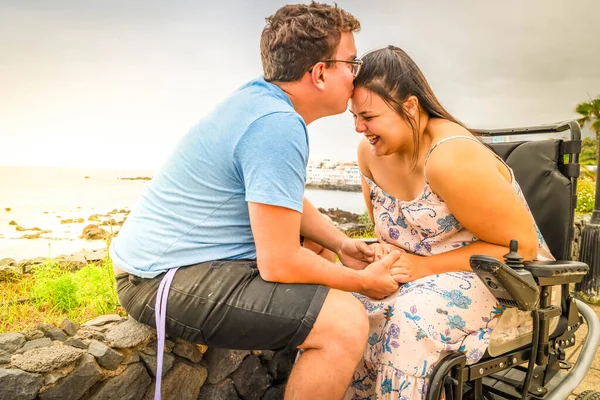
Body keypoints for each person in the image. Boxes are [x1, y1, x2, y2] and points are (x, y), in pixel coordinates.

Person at [110, 3, 403, 400]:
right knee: (345, 322)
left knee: (317, 250)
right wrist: (363, 283)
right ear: (319, 73)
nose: (356, 73)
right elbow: (279, 262)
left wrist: (340, 243)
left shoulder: (261, 102)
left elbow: (280, 200)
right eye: (350, 62)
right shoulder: (276, 124)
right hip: (157, 278)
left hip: (167, 265)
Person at [345, 46, 553, 399]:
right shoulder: (370, 154)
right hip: (426, 277)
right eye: (353, 116)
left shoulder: (450, 158)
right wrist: (376, 255)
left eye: (368, 116)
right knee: (347, 306)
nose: (358, 128)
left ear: (409, 107)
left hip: (509, 282)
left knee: (409, 320)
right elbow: (394, 238)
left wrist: (424, 267)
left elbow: (521, 248)